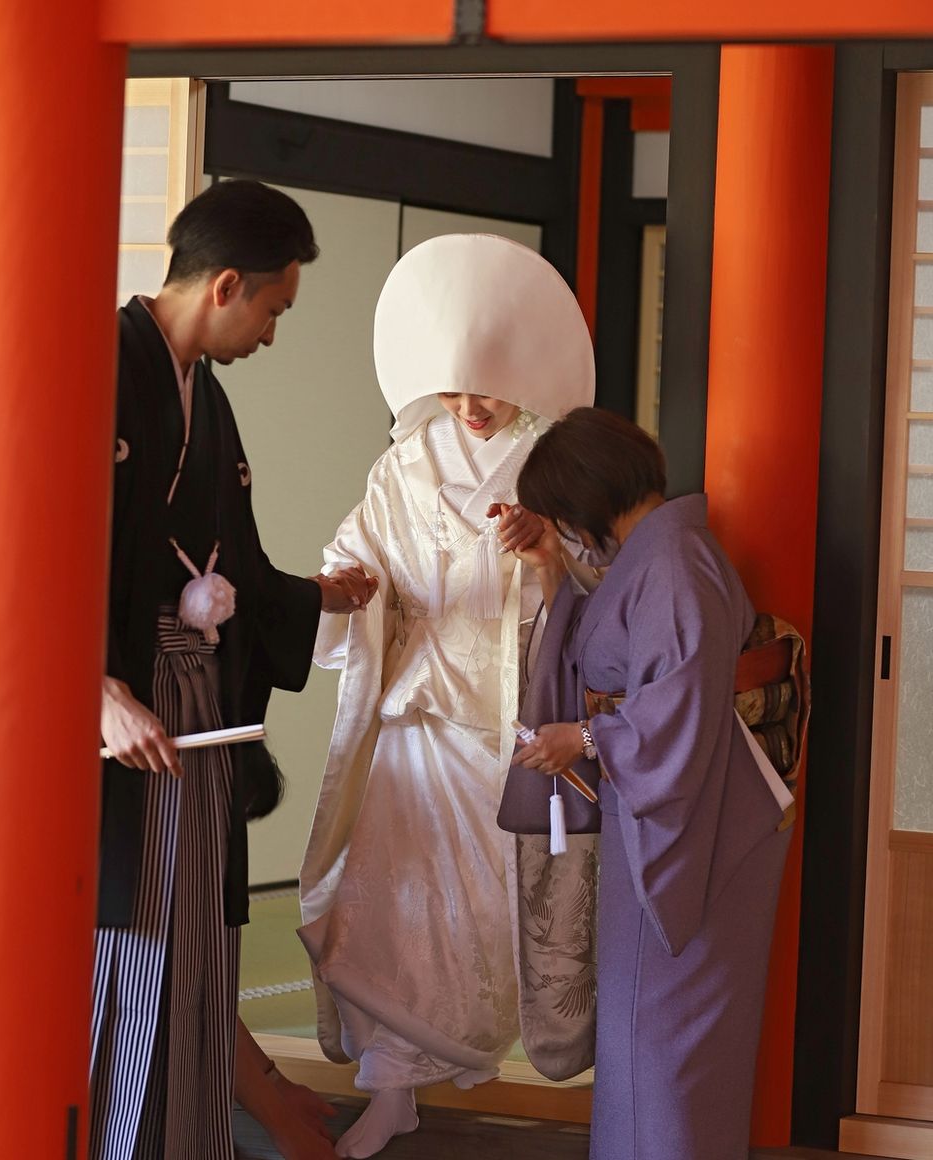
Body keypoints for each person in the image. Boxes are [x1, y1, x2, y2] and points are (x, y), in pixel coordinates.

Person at [91, 179, 376, 1160]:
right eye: (273, 308)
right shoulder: (100, 367)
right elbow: (36, 550)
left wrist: (316, 595)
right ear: (224, 287)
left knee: (195, 935)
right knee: (129, 934)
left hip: (188, 706)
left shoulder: (203, 397)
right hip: (124, 711)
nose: (272, 333)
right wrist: (96, 688)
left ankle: (185, 1135)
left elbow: (231, 565)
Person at [298, 234, 599, 1159]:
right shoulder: (407, 463)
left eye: (490, 388)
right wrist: (348, 583)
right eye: (458, 387)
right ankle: (391, 1086)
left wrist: (547, 553)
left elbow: (600, 579)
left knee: (479, 920)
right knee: (389, 904)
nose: (472, 407)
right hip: (417, 714)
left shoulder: (552, 463)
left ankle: (435, 1063)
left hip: (508, 723)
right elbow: (358, 553)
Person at [511, 407, 793, 1160]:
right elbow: (610, 655)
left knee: (669, 1047)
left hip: (698, 823)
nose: (569, 533)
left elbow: (680, 705)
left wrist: (586, 736)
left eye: (564, 519)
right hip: (671, 809)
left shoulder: (675, 563)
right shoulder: (665, 553)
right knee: (650, 1038)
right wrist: (550, 569)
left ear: (587, 501)